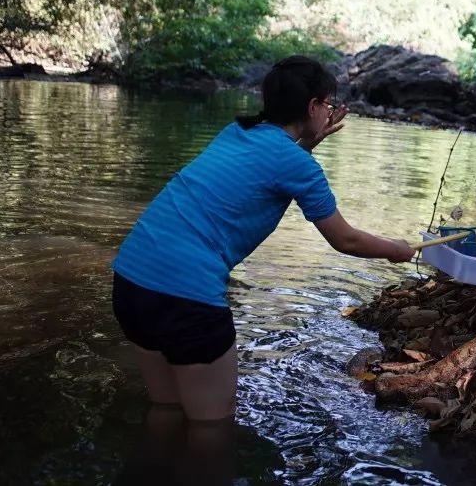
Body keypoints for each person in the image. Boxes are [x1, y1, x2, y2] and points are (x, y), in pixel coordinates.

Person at [111, 56, 415, 423]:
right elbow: (345, 240)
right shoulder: (298, 165)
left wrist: (308, 141)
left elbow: (269, 168)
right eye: (328, 104)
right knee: (212, 428)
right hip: (186, 298)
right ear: (313, 106)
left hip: (131, 281)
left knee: (166, 408)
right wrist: (396, 250)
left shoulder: (235, 132)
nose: (330, 111)